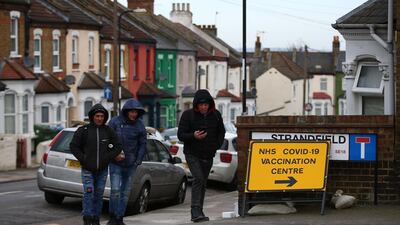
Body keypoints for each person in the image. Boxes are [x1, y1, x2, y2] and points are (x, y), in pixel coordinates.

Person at [178, 89, 226, 222]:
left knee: (203, 182)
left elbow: (221, 131)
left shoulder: (216, 115)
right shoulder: (188, 115)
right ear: (196, 105)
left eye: (206, 104)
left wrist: (217, 145)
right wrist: (193, 136)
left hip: (208, 154)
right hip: (192, 153)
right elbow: (180, 135)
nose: (204, 107)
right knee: (198, 179)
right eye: (201, 105)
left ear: (209, 104)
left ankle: (199, 210)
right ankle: (195, 211)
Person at [70, 104, 122, 225]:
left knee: (98, 195)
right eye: (97, 116)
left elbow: (118, 146)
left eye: (102, 116)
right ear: (92, 116)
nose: (99, 118)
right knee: (89, 192)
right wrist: (83, 159)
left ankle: (96, 219)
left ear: (105, 117)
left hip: (102, 170)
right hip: (87, 169)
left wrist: (108, 157)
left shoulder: (108, 131)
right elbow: (73, 146)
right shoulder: (83, 130)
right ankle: (87, 218)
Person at [107, 98, 147, 225]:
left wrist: (138, 161)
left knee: (125, 193)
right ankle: (112, 217)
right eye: (131, 112)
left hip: (131, 165)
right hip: (115, 163)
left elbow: (143, 144)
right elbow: (107, 141)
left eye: (136, 112)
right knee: (115, 191)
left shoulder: (140, 125)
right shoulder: (114, 122)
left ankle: (119, 218)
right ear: (126, 111)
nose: (134, 114)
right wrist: (114, 154)